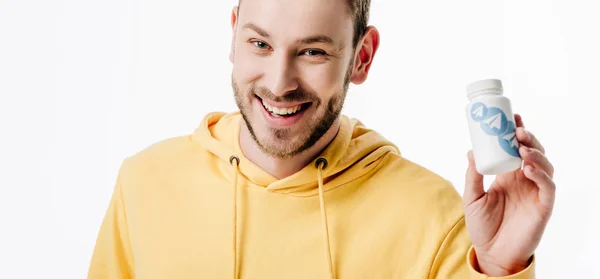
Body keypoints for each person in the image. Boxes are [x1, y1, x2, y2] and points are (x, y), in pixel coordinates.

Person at [87, 0, 556, 278]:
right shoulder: (144, 184)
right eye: (260, 44)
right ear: (233, 37)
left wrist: (499, 269)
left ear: (362, 57)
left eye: (312, 51)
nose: (279, 82)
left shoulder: (438, 217)